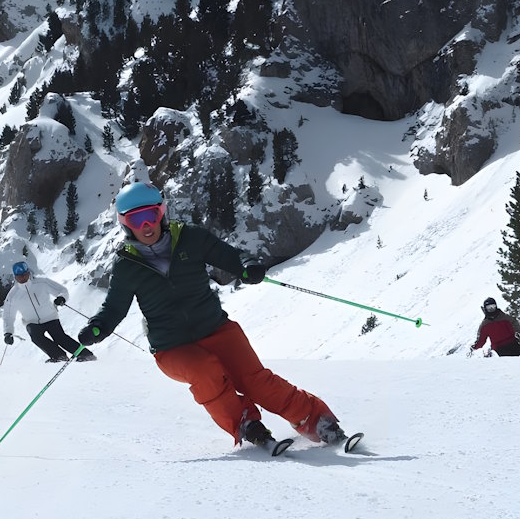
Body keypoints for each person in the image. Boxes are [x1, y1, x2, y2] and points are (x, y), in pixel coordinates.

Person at [76, 182, 347, 449]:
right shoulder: (126, 265)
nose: (146, 225)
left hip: (216, 329)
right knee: (205, 372)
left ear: (162, 212)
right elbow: (114, 308)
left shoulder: (191, 238)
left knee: (256, 381)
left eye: (151, 215)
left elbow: (229, 256)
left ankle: (317, 421)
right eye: (137, 219)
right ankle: (246, 424)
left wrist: (246, 266)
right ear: (125, 223)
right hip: (172, 347)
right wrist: (97, 327)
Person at [2, 261, 94, 363]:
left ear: (28, 273)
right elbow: (8, 315)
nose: (23, 278)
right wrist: (7, 333)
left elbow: (62, 290)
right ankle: (59, 356)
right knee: (36, 337)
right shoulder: (13, 295)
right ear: (15, 277)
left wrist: (61, 298)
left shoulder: (42, 283)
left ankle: (86, 355)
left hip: (50, 316)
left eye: (24, 275)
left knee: (60, 337)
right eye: (19, 276)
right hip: (31, 322)